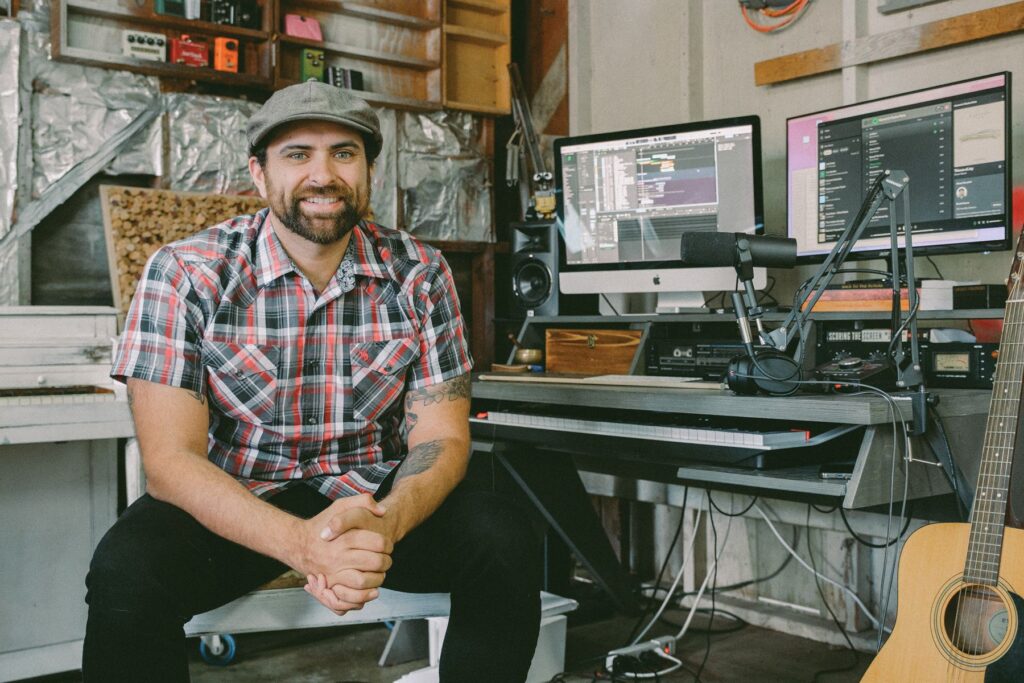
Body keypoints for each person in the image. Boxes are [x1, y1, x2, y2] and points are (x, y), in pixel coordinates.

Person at [83, 81, 542, 682]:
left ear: (368, 170)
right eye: (297, 154)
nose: (323, 174)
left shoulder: (420, 274)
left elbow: (444, 439)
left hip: (372, 500)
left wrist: (388, 522)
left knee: (504, 540)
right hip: (240, 502)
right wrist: (305, 545)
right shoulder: (188, 272)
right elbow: (171, 460)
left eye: (343, 153)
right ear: (260, 172)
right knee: (127, 571)